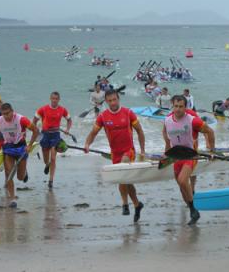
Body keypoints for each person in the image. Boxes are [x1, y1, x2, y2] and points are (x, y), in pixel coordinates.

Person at [84, 89, 145, 222]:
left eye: (114, 99)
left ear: (118, 99)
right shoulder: (103, 116)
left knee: (122, 172)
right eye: (110, 100)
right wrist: (87, 144)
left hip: (129, 151)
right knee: (126, 181)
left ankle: (124, 204)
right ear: (106, 101)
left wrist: (142, 151)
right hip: (115, 153)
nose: (112, 102)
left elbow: (140, 131)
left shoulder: (128, 113)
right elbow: (93, 132)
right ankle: (137, 204)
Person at [163, 95, 215, 225]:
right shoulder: (167, 120)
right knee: (181, 187)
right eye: (176, 106)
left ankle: (193, 209)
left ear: (185, 107)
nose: (178, 109)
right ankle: (194, 212)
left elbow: (210, 131)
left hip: (190, 155)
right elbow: (166, 135)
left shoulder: (193, 121)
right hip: (176, 157)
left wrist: (212, 150)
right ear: (172, 106)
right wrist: (166, 151)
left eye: (181, 106)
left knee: (182, 180)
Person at [0, 103, 39, 208]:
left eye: (8, 113)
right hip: (8, 148)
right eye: (3, 114)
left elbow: (36, 131)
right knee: (9, 174)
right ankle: (13, 199)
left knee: (20, 177)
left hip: (21, 147)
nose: (6, 116)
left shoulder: (21, 119)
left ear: (12, 111)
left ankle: (24, 172)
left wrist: (30, 145)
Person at [33, 92, 72, 189]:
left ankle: (51, 180)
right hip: (45, 134)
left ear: (59, 99)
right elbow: (34, 121)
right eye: (53, 98)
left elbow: (69, 120)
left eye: (56, 99)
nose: (54, 100)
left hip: (55, 135)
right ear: (50, 98)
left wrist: (67, 129)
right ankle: (47, 164)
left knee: (53, 158)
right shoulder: (43, 109)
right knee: (46, 159)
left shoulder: (62, 109)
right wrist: (36, 131)